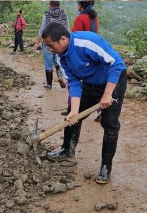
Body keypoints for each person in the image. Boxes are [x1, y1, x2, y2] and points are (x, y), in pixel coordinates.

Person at [43, 22, 127, 184]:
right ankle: (67, 150)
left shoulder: (88, 43)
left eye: (50, 45)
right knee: (72, 116)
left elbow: (116, 65)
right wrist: (74, 111)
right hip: (89, 82)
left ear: (63, 39)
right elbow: (74, 82)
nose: (49, 50)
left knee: (110, 124)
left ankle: (105, 167)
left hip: (112, 81)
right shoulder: (62, 57)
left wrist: (107, 94)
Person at [61, 0, 102, 122]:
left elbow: (73, 37)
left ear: (81, 6)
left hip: (80, 54)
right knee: (94, 85)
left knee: (73, 82)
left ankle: (72, 109)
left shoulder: (80, 19)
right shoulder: (94, 18)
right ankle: (101, 110)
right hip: (92, 53)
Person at [32, 1, 68, 89]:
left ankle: (49, 85)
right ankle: (60, 76)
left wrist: (36, 43)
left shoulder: (46, 16)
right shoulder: (64, 16)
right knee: (58, 61)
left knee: (48, 63)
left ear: (50, 5)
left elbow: (41, 31)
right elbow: (67, 31)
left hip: (48, 43)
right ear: (59, 5)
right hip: (60, 43)